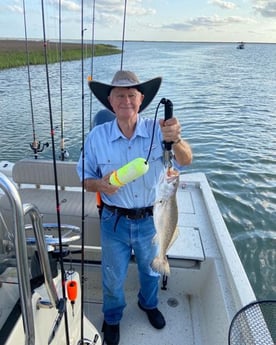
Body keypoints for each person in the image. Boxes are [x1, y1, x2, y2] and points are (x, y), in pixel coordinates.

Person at [77, 70, 192, 345]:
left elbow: (185, 160)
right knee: (112, 276)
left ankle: (149, 304)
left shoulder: (159, 130)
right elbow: (85, 180)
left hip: (151, 220)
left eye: (131, 95)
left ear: (141, 99)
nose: (126, 100)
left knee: (151, 270)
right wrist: (101, 185)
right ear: (110, 101)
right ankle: (113, 318)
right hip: (113, 221)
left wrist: (176, 139)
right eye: (119, 95)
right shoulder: (96, 137)